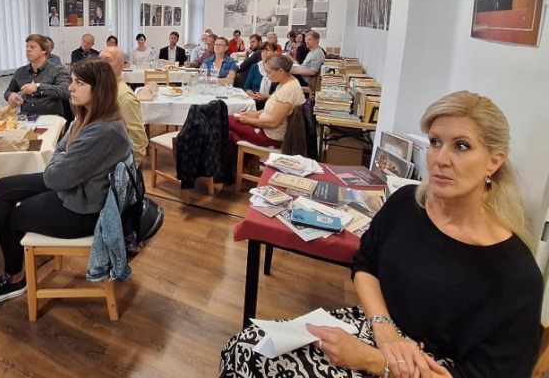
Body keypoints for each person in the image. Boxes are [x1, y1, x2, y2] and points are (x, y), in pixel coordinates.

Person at [221, 91, 542, 377]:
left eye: (461, 146)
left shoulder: (514, 273)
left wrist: (377, 362)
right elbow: (365, 263)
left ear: (494, 162)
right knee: (246, 347)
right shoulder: (407, 204)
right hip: (374, 326)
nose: (441, 160)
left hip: (426, 369)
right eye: (434, 142)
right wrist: (384, 328)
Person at [0, 58, 132, 305]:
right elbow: (61, 153)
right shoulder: (89, 118)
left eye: (79, 83)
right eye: (72, 81)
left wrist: (59, 158)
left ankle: (12, 278)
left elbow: (54, 175)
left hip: (84, 211)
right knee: (3, 187)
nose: (71, 88)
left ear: (99, 89)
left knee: (7, 214)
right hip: (78, 192)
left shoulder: (103, 130)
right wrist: (61, 157)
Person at [228, 54, 305, 149]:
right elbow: (271, 110)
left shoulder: (288, 90)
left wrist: (249, 120)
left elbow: (273, 122)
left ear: (281, 71)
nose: (267, 76)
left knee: (226, 121)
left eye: (269, 73)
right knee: (228, 124)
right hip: (267, 130)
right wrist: (252, 114)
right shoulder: (286, 83)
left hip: (271, 137)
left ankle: (237, 159)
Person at [99, 46, 148, 166]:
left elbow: (138, 139)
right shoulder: (101, 89)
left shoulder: (124, 96)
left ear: (120, 67)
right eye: (99, 59)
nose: (100, 64)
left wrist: (128, 171)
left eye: (107, 60)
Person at [3, 34, 70, 117]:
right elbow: (7, 92)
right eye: (27, 47)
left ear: (44, 50)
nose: (28, 50)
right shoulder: (20, 72)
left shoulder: (57, 70)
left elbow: (65, 91)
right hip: (26, 117)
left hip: (50, 118)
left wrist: (38, 88)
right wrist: (10, 95)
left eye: (32, 47)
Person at [243, 42, 280, 109]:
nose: (264, 53)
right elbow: (246, 87)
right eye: (262, 51)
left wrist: (265, 96)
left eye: (267, 50)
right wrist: (253, 95)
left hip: (273, 102)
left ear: (274, 53)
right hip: (255, 100)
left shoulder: (279, 69)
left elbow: (282, 94)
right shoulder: (255, 67)